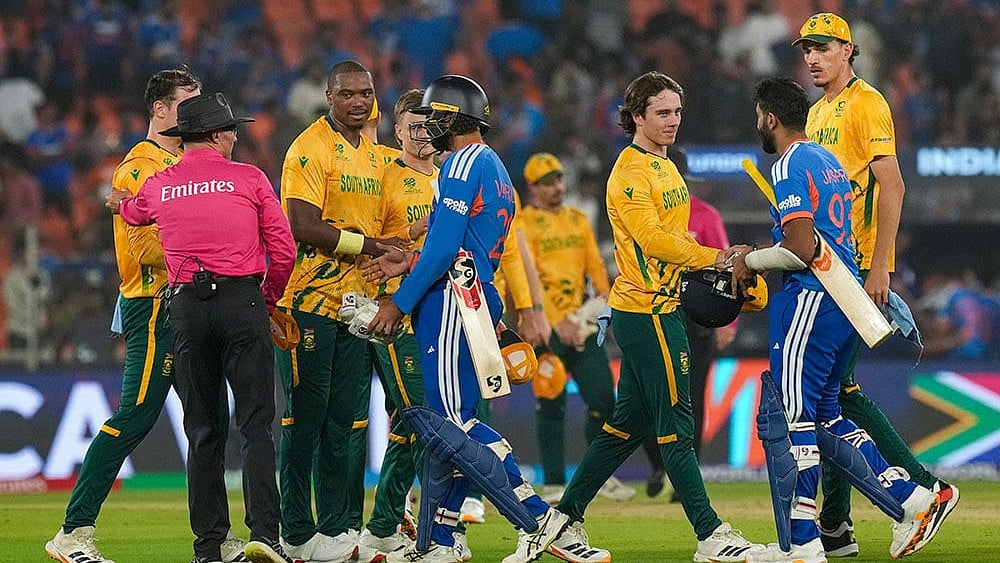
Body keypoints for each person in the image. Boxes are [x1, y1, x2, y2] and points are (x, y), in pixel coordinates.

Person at [733, 76, 952, 563]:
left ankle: (805, 543)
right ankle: (912, 500)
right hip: (842, 299)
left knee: (793, 422)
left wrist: (749, 261)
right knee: (828, 415)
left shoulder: (789, 163)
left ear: (770, 117)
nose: (758, 126)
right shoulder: (829, 162)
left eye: (757, 118)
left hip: (809, 300)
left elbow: (803, 247)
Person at [546, 71, 762, 563]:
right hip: (648, 310)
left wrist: (716, 259)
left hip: (659, 306)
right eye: (662, 112)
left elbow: (674, 238)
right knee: (677, 429)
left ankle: (560, 522)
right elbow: (654, 240)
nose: (672, 121)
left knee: (625, 427)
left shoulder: (666, 167)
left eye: (677, 112)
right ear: (637, 116)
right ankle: (710, 536)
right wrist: (718, 259)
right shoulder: (630, 170)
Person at [44, 68, 252, 563]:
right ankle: (73, 532)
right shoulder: (140, 167)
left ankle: (216, 539)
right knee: (136, 414)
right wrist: (214, 241)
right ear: (160, 109)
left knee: (207, 422)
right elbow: (141, 247)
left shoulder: (183, 164)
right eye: (189, 102)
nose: (198, 112)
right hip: (155, 305)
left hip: (190, 305)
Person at [363, 74, 569, 563]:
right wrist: (408, 261)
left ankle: (539, 517)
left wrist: (400, 301)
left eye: (436, 116)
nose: (430, 125)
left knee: (450, 423)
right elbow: (461, 246)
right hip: (474, 298)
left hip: (451, 303)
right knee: (449, 425)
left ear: (454, 119)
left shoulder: (457, 164)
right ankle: (439, 539)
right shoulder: (494, 166)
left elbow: (444, 250)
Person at [792, 12, 959, 557]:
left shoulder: (868, 103)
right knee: (834, 394)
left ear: (848, 50)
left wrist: (880, 264)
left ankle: (926, 491)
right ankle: (837, 526)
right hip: (827, 267)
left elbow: (892, 184)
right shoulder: (814, 114)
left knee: (828, 398)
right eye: (806, 49)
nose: (812, 58)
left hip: (853, 266)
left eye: (822, 48)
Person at [106, 92, 296, 563]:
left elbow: (130, 212)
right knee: (256, 425)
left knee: (203, 430)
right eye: (231, 129)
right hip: (242, 302)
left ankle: (209, 546)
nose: (235, 136)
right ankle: (266, 537)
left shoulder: (160, 184)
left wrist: (115, 201)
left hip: (186, 308)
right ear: (215, 135)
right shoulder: (249, 179)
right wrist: (266, 302)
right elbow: (284, 249)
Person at [275, 59, 402, 563]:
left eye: (365, 93)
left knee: (344, 423)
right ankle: (294, 532)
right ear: (328, 97)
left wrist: (396, 248)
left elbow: (391, 231)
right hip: (308, 302)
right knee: (304, 420)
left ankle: (332, 529)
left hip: (357, 307)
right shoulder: (308, 148)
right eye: (347, 93)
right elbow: (302, 225)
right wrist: (371, 245)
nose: (358, 101)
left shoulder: (376, 157)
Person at [519, 151, 631, 505]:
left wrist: (597, 307)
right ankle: (553, 482)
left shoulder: (578, 219)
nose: (558, 186)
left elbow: (595, 269)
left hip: (581, 325)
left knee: (602, 399)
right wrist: (554, 323)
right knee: (550, 402)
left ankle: (601, 475)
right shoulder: (522, 224)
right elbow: (527, 278)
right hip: (546, 327)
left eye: (560, 179)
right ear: (533, 187)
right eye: (549, 181)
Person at [357, 88, 435, 557]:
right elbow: (362, 234)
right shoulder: (384, 172)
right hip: (390, 308)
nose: (423, 133)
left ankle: (406, 519)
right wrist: (409, 236)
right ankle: (382, 526)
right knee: (420, 417)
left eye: (430, 124)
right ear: (398, 129)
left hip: (438, 312)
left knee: (415, 419)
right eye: (413, 125)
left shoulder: (449, 177)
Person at [642, 147, 738, 500]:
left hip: (697, 321)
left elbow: (728, 270)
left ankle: (685, 480)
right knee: (649, 399)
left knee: (692, 399)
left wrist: (728, 322)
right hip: (655, 314)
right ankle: (658, 464)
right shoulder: (647, 217)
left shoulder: (705, 217)